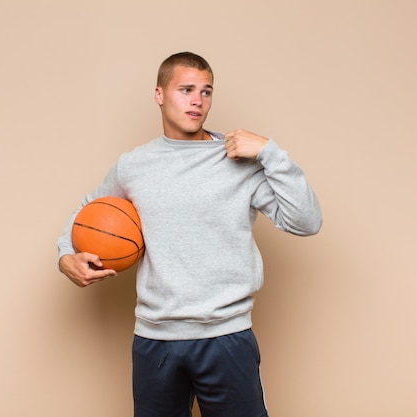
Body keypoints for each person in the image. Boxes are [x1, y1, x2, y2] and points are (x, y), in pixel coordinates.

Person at [57, 51, 322, 417]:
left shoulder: (237, 161)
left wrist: (271, 153)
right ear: (159, 94)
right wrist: (65, 256)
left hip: (227, 336)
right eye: (186, 89)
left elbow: (305, 222)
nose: (198, 101)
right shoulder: (133, 165)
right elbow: (85, 214)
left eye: (206, 91)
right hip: (155, 339)